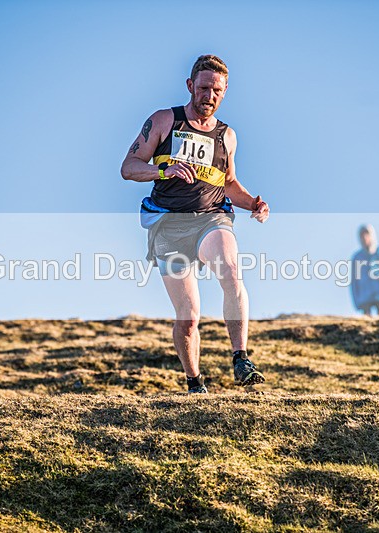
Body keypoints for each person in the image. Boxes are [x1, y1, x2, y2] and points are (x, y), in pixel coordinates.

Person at [120, 55, 270, 394]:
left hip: (211, 218)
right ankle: (194, 382)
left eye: (217, 90)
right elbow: (129, 167)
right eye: (203, 88)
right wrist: (164, 171)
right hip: (168, 225)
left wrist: (254, 203)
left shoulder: (227, 136)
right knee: (188, 317)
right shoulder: (163, 121)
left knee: (231, 270)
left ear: (225, 91)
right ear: (190, 86)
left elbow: (229, 183)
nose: (209, 96)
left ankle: (241, 357)